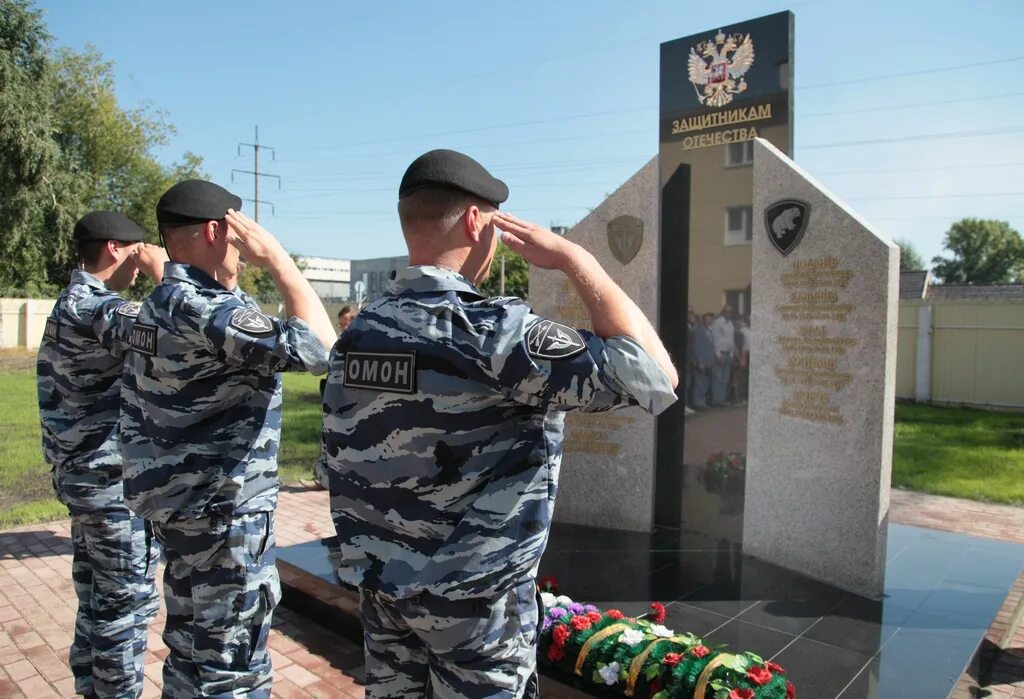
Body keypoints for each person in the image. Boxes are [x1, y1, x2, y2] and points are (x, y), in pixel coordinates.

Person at [321, 149, 678, 698]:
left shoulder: (359, 333)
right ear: (476, 221)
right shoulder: (492, 334)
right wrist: (576, 260)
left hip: (382, 587)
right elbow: (653, 375)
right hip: (474, 606)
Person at [119, 180, 335, 698]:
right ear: (217, 231)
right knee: (233, 674)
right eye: (240, 234)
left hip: (181, 513)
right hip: (224, 523)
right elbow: (323, 348)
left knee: (191, 659)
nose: (246, 247)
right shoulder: (206, 309)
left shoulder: (159, 303)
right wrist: (281, 262)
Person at [37, 211, 166, 699]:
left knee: (96, 601)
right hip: (110, 485)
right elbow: (175, 329)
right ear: (115, 249)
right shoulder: (99, 308)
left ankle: (91, 689)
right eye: (137, 249)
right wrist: (165, 274)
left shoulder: (71, 301)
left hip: (84, 477)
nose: (142, 257)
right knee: (124, 610)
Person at [312, 303, 361, 489]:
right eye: (340, 325)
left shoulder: (364, 344)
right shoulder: (341, 344)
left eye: (345, 325)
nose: (342, 329)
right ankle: (323, 476)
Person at [710, 304, 735, 407]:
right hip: (720, 354)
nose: (729, 313)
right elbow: (715, 339)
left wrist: (732, 354)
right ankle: (716, 401)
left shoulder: (730, 323)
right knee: (718, 378)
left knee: (725, 379)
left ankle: (722, 400)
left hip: (728, 354)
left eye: (731, 312)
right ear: (723, 312)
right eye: (727, 311)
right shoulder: (718, 322)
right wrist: (717, 354)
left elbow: (731, 340)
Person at [692, 312, 717, 410]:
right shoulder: (699, 331)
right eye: (707, 319)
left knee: (705, 383)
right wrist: (699, 361)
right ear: (703, 320)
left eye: (710, 319)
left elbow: (711, 347)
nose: (709, 321)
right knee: (699, 383)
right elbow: (697, 347)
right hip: (702, 362)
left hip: (709, 362)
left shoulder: (709, 331)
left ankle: (702, 402)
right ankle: (698, 403)